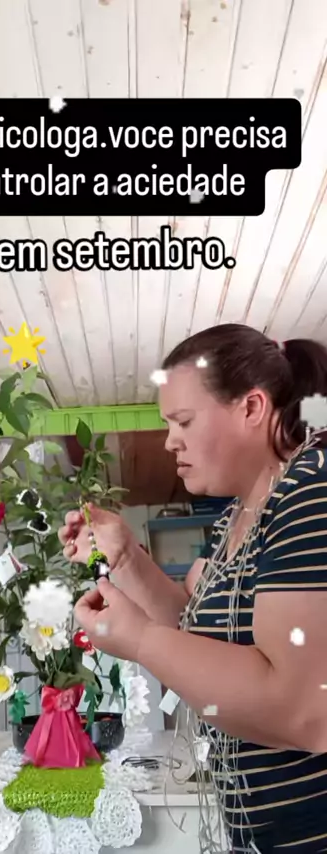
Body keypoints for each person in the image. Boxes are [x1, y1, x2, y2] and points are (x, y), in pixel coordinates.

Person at [59, 324, 327, 854]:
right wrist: (126, 556)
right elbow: (199, 636)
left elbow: (305, 711)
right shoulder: (235, 516)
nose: (169, 441)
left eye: (183, 420)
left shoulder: (311, 490)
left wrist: (140, 641)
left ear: (252, 407)